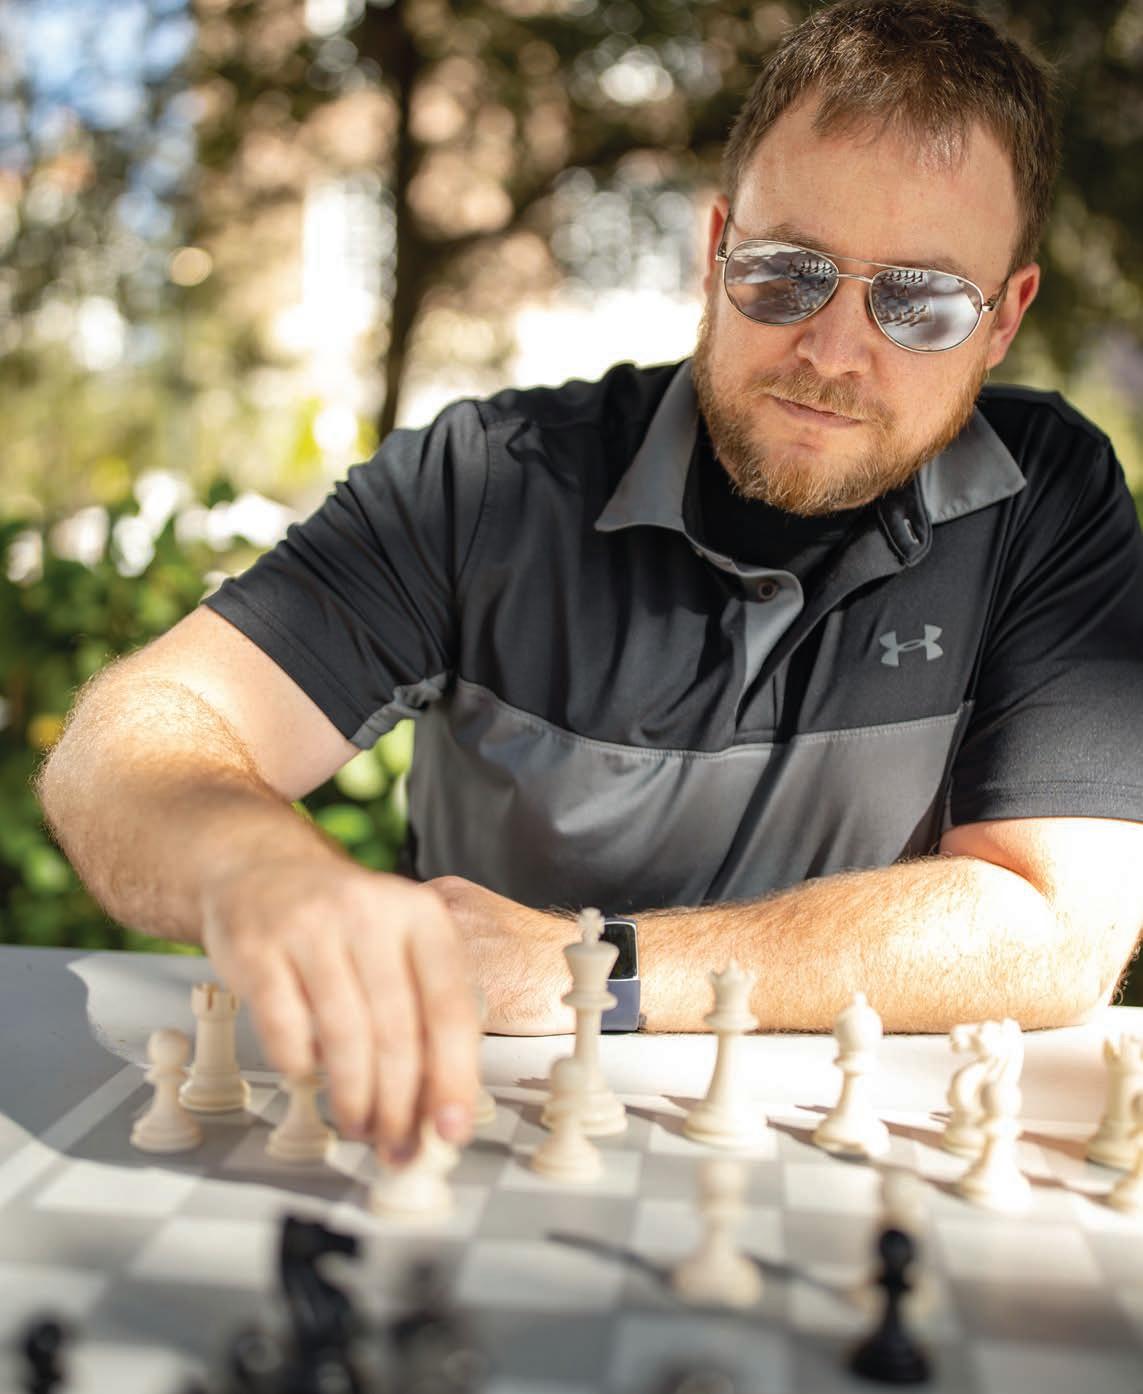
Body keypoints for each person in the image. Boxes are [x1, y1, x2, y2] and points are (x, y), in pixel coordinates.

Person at [35, 0, 1143, 1166]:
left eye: (919, 302)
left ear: (1004, 320)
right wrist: (263, 873)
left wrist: (588, 966)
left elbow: (1058, 921)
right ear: (715, 250)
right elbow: (124, 741)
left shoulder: (1047, 498)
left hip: (849, 1168)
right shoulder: (488, 480)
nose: (831, 350)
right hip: (471, 1146)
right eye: (786, 272)